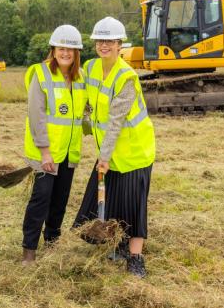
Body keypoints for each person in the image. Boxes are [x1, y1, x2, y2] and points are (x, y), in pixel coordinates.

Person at [73, 16, 155, 278]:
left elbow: (117, 120)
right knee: (111, 200)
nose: (104, 45)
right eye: (100, 40)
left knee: (133, 205)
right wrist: (85, 122)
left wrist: (104, 156)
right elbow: (86, 101)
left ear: (120, 44)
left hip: (133, 152)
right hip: (108, 151)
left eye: (110, 41)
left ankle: (135, 257)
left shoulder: (126, 76)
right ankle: (117, 246)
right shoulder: (91, 67)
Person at [21, 25, 87, 264]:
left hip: (69, 152)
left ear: (77, 52)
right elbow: (36, 115)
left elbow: (82, 113)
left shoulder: (81, 78)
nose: (66, 53)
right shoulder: (40, 74)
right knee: (41, 200)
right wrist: (45, 152)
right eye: (61, 48)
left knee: (60, 200)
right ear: (53, 49)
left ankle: (53, 241)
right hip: (45, 153)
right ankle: (29, 249)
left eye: (71, 49)